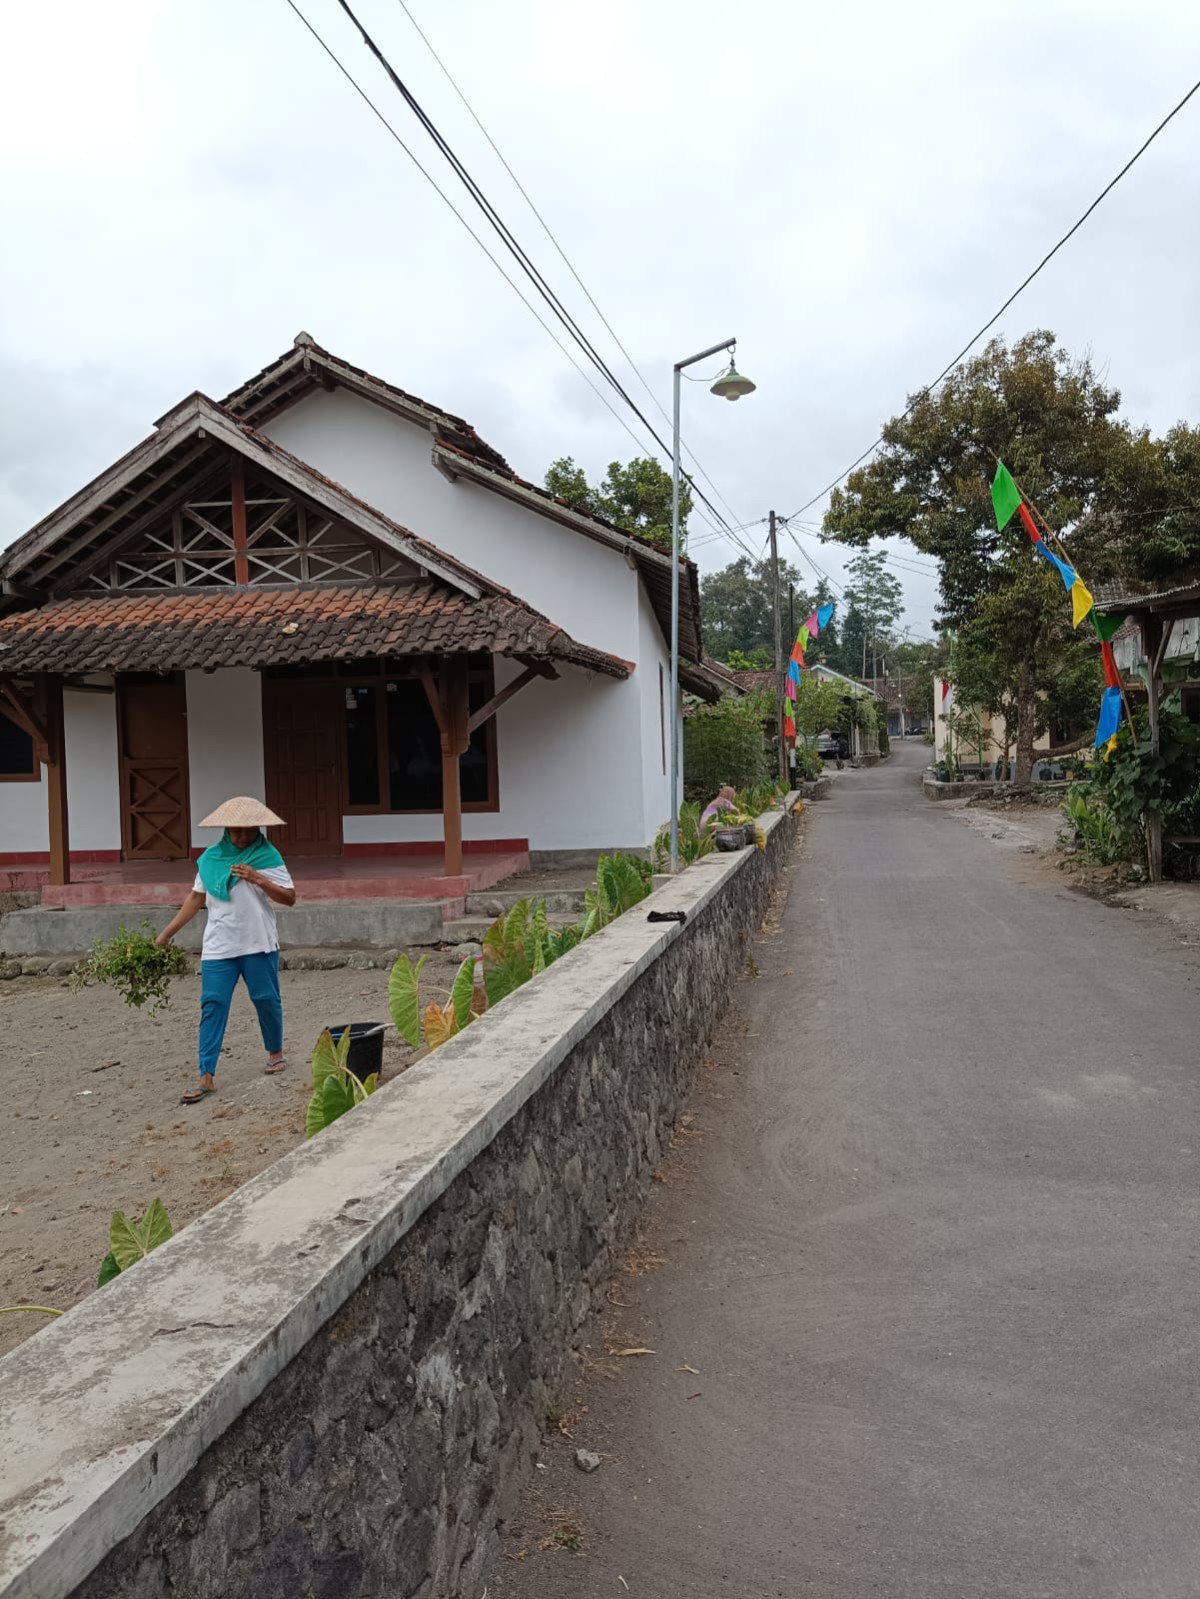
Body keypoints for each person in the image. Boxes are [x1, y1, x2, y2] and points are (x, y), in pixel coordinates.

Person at [156, 797, 296, 1105]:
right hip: (219, 945)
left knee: (265, 999)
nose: (243, 837)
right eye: (237, 832)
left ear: (259, 829)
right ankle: (206, 1075)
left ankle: (275, 1052)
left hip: (258, 942)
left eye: (249, 831)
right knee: (213, 1004)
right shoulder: (210, 859)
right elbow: (196, 898)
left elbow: (289, 898)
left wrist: (258, 878)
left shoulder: (267, 856)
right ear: (226, 830)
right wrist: (167, 934)